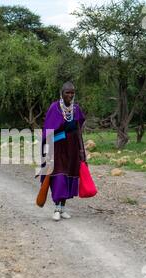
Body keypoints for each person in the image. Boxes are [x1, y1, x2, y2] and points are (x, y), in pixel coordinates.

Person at [40, 82, 87, 221]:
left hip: (72, 146)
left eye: (72, 92)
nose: (70, 95)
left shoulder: (76, 109)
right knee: (59, 175)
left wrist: (81, 150)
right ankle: (56, 208)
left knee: (69, 175)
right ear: (62, 93)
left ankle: (63, 208)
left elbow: (78, 130)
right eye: (67, 92)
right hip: (58, 147)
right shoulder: (55, 108)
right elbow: (48, 130)